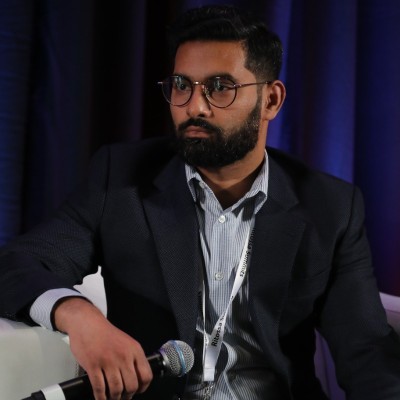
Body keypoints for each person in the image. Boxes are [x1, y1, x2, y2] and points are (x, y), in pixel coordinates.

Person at [1, 4, 400, 400]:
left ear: (271, 100)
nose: (194, 106)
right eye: (181, 85)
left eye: (220, 87)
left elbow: (367, 354)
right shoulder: (120, 179)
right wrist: (79, 315)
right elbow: (18, 264)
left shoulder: (329, 206)